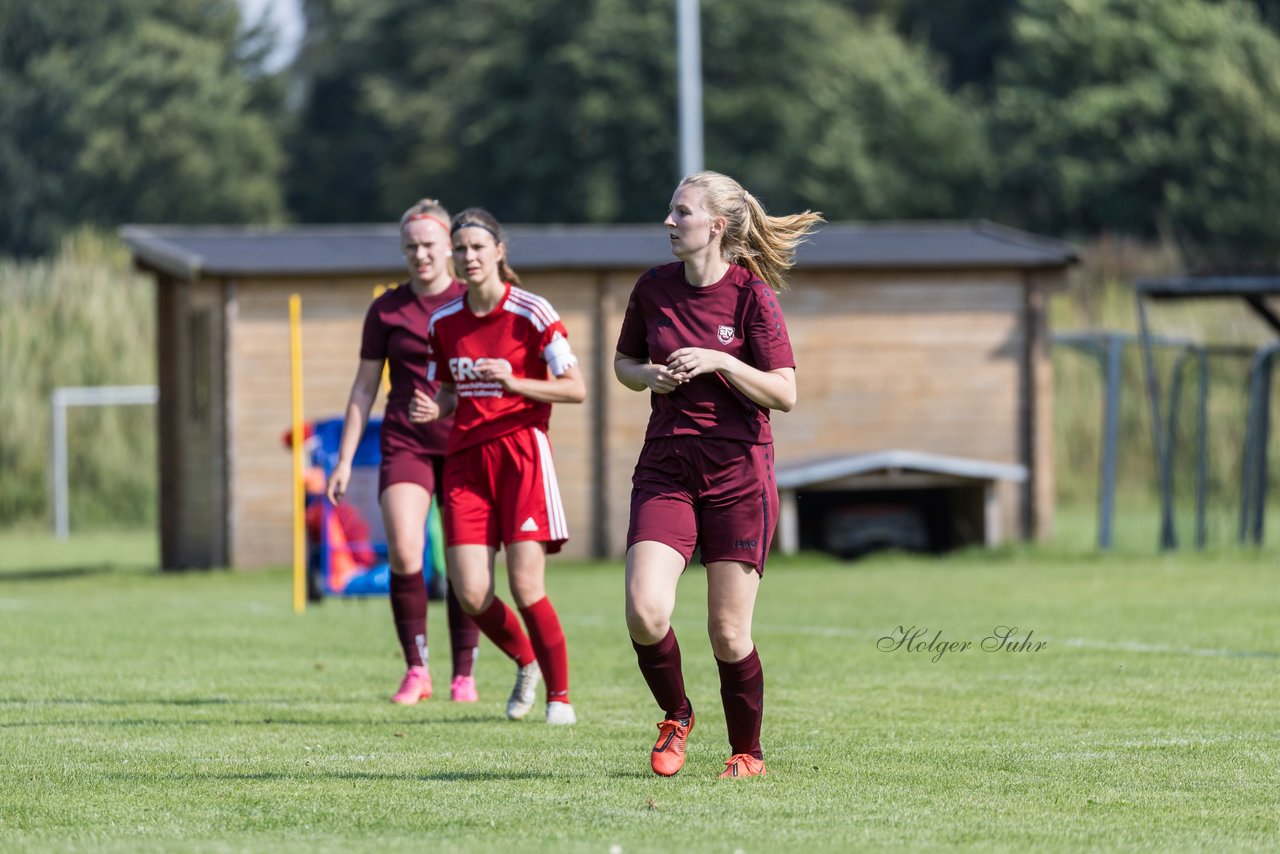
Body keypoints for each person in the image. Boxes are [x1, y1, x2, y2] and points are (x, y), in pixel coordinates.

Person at [614, 171, 823, 778]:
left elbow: (784, 393)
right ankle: (677, 714)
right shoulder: (652, 289)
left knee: (729, 633)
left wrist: (720, 361)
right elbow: (626, 363)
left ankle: (747, 753)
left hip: (738, 475)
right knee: (644, 610)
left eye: (681, 212)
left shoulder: (751, 296)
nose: (669, 222)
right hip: (667, 470)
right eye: (670, 211)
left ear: (717, 226)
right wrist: (647, 377)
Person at [409, 207, 585, 725]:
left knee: (527, 587)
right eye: (460, 250)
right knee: (469, 592)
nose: (468, 257)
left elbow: (575, 389)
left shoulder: (532, 312)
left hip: (522, 456)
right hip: (465, 461)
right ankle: (524, 661)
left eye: (477, 248)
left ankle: (560, 698)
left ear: (499, 252)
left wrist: (514, 382)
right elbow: (446, 391)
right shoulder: (443, 322)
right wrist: (434, 408)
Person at [326, 198, 483, 705]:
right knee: (404, 550)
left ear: (449, 248)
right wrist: (345, 459)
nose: (421, 255)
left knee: (464, 565)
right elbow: (362, 389)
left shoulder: (472, 300)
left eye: (429, 245)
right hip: (405, 443)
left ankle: (464, 675)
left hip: (464, 443)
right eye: (411, 246)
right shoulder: (387, 309)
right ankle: (417, 669)